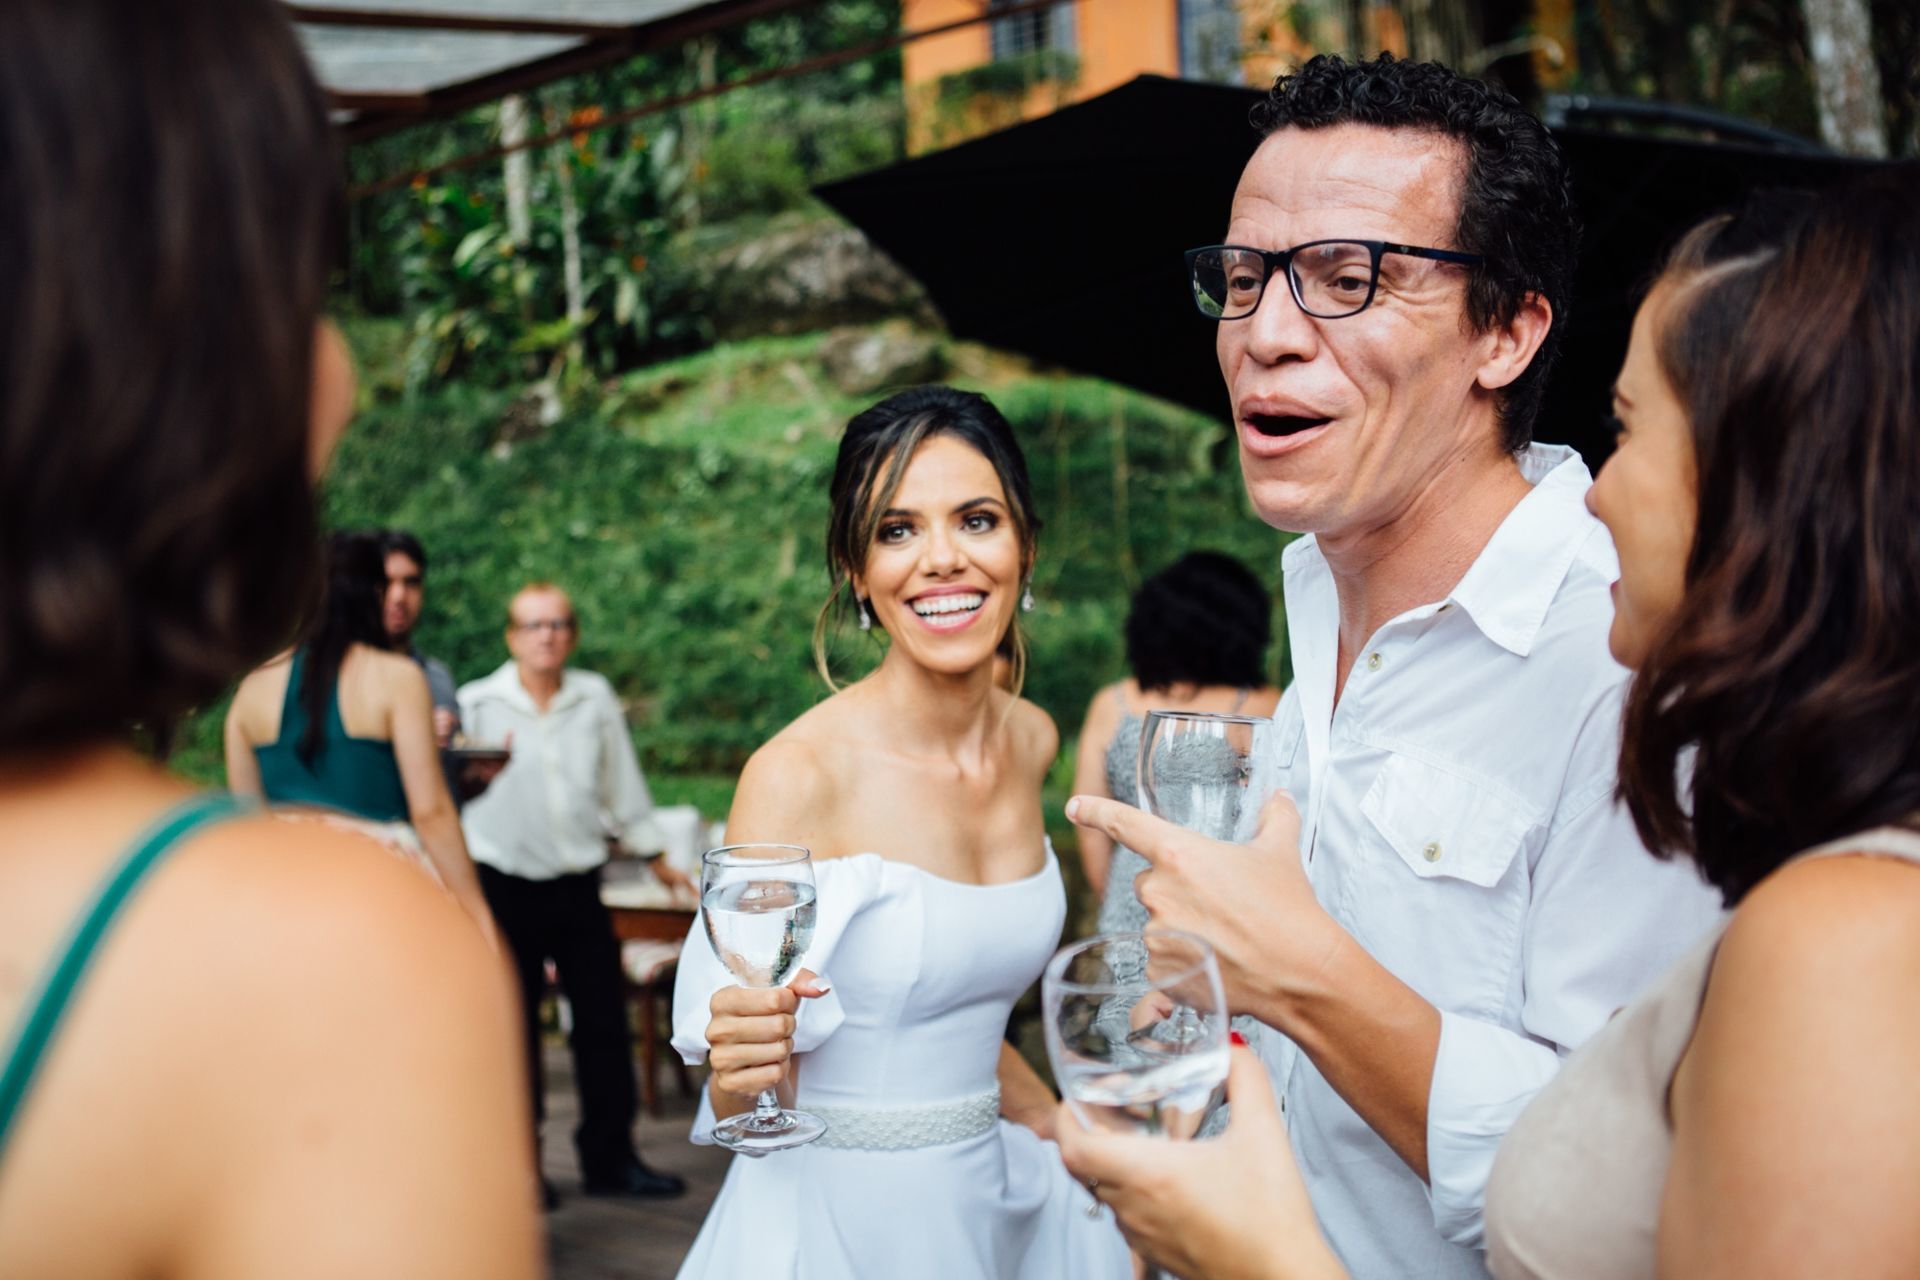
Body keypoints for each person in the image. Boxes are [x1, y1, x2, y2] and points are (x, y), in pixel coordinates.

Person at [1055, 165, 1920, 1280]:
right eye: (1238, 278)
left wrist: (1266, 1257)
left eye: (1345, 276)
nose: (1265, 331)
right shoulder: (1314, 600)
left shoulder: (1831, 911)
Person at [0, 2, 538, 1275]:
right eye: (311, 289)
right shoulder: (316, 962)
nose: (340, 365)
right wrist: (465, 931)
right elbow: (433, 812)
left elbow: (242, 793)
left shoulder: (258, 701)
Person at [670, 386, 1132, 1278]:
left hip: (995, 1202)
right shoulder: (798, 776)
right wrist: (740, 1061)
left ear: (1025, 544)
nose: (942, 560)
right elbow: (744, 1092)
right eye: (896, 530)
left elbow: (954, 1014)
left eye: (976, 519)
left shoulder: (1031, 738)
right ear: (855, 569)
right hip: (843, 1224)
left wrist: (1058, 1127)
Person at [459, 583, 692, 1205]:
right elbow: (449, 795)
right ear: (512, 636)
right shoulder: (477, 703)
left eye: (559, 623)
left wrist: (656, 855)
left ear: (573, 634)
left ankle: (612, 1158)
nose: (547, 635)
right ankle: (522, 1168)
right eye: (534, 625)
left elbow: (623, 783)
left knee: (601, 1025)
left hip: (578, 884)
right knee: (513, 1028)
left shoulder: (593, 698)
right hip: (503, 884)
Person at [225, 530, 496, 942]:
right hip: (380, 897)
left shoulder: (252, 688)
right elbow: (431, 812)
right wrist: (477, 913)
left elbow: (247, 822)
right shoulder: (398, 679)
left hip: (285, 903)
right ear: (375, 592)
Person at [1072, 550, 1280, 922]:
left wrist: (1119, 901)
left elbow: (1090, 829)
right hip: (1224, 908)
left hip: (1129, 896)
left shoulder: (1111, 703)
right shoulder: (1260, 705)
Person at [380, 528, 460, 748]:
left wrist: (475, 777)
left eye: (411, 582)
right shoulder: (343, 677)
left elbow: (450, 777)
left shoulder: (438, 679)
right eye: (387, 582)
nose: (399, 596)